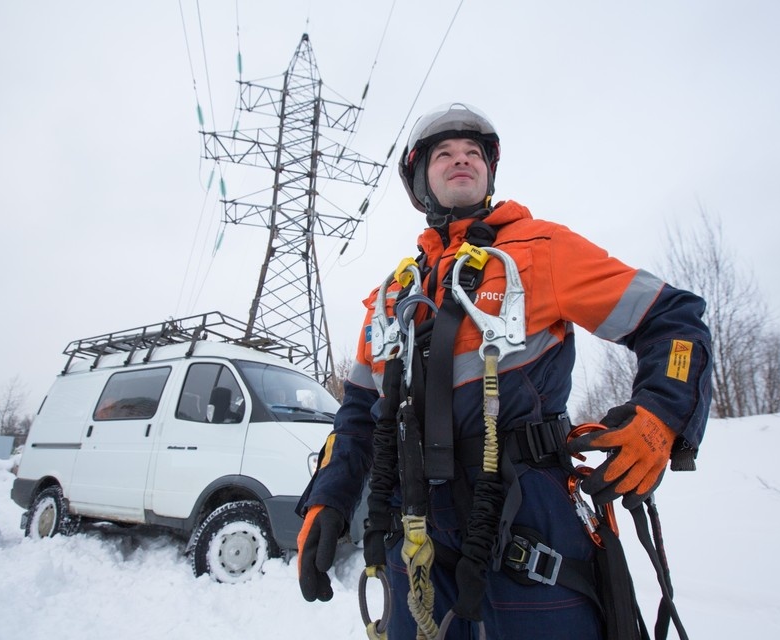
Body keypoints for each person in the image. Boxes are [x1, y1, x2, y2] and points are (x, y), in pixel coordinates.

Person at [296, 102, 712, 639]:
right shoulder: (392, 296)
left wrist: (663, 414)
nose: (461, 159)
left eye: (473, 152)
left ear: (489, 172)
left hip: (527, 524)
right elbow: (356, 417)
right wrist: (328, 499)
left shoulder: (542, 250)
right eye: (444, 154)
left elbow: (673, 320)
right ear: (420, 181)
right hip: (413, 536)